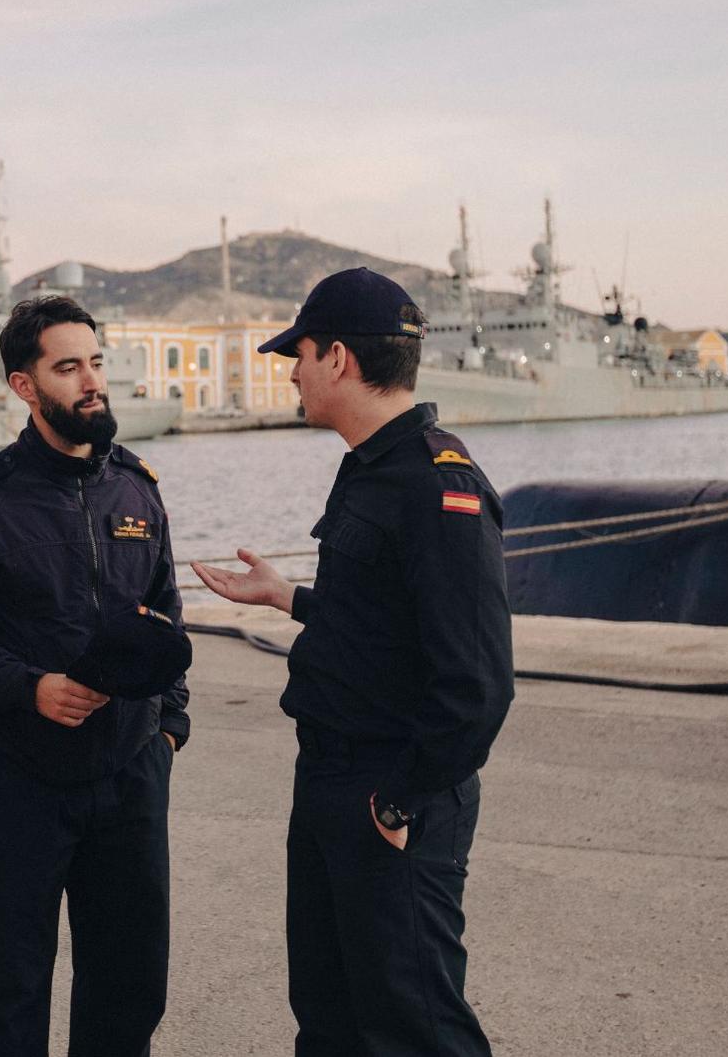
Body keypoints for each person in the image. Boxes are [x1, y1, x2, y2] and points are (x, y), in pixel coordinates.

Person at [191, 267, 513, 1057]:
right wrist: (289, 598)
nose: (291, 371)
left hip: (391, 788)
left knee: (415, 1027)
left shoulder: (440, 485)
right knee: (331, 1017)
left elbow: (476, 685)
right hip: (331, 777)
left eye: (296, 354)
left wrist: (397, 803)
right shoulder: (369, 466)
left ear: (337, 358)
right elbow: (385, 617)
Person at [0, 295, 193, 1057]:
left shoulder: (137, 487)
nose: (91, 380)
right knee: (10, 994)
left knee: (129, 988)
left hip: (131, 775)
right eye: (67, 366)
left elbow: (166, 618)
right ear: (24, 385)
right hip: (22, 780)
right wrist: (27, 686)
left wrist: (169, 726)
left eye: (96, 361)